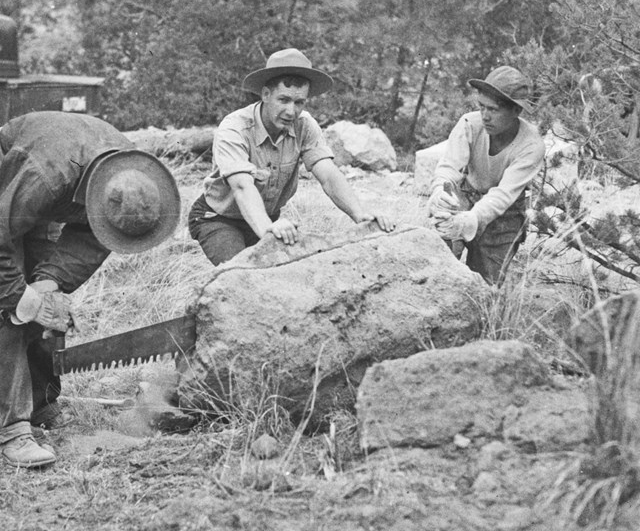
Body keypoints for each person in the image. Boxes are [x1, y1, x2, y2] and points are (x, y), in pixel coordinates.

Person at [0, 111, 181, 468]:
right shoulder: (46, 174)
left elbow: (93, 239)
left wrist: (49, 285)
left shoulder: (130, 179)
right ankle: (11, 429)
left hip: (46, 198)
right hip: (10, 187)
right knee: (9, 307)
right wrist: (18, 296)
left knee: (47, 302)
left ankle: (42, 403)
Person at [189, 48, 395, 265]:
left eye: (299, 102)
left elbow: (328, 175)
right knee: (243, 274)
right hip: (220, 219)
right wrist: (267, 229)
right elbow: (242, 187)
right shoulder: (234, 128)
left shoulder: (305, 125)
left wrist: (359, 214)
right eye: (284, 100)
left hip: (268, 219)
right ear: (266, 94)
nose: (291, 111)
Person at [427, 66, 545, 286]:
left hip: (505, 214)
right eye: (481, 107)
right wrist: (439, 192)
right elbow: (449, 167)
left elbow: (503, 195)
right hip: (465, 195)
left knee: (485, 286)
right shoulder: (469, 125)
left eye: (494, 110)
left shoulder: (532, 146)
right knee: (439, 272)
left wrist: (472, 219)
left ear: (515, 111)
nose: (485, 116)